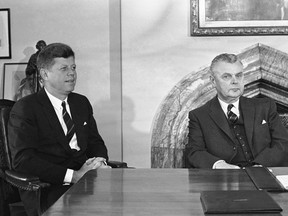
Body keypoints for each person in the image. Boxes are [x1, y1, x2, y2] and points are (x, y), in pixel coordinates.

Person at [8, 43, 110, 215]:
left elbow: (95, 141)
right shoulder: (26, 108)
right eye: (64, 68)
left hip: (88, 180)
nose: (72, 73)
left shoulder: (81, 103)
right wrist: (74, 176)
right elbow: (23, 160)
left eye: (73, 67)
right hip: (50, 187)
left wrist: (99, 161)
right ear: (44, 74)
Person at [186, 53, 288, 169]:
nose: (235, 81)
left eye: (239, 75)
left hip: (265, 172)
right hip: (224, 180)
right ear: (213, 81)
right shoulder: (199, 115)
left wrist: (260, 166)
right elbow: (194, 152)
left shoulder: (265, 106)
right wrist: (220, 165)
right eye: (226, 76)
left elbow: (283, 142)